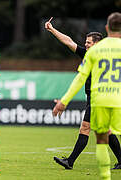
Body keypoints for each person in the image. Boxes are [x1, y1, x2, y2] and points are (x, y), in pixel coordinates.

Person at [45, 17, 121, 170]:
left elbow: (79, 79)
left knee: (85, 128)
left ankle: (70, 161)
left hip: (97, 97)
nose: (85, 45)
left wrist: (64, 101)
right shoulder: (93, 54)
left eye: (88, 42)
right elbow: (69, 42)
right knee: (106, 131)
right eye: (85, 42)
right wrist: (52, 30)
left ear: (97, 44)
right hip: (100, 97)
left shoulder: (93, 56)